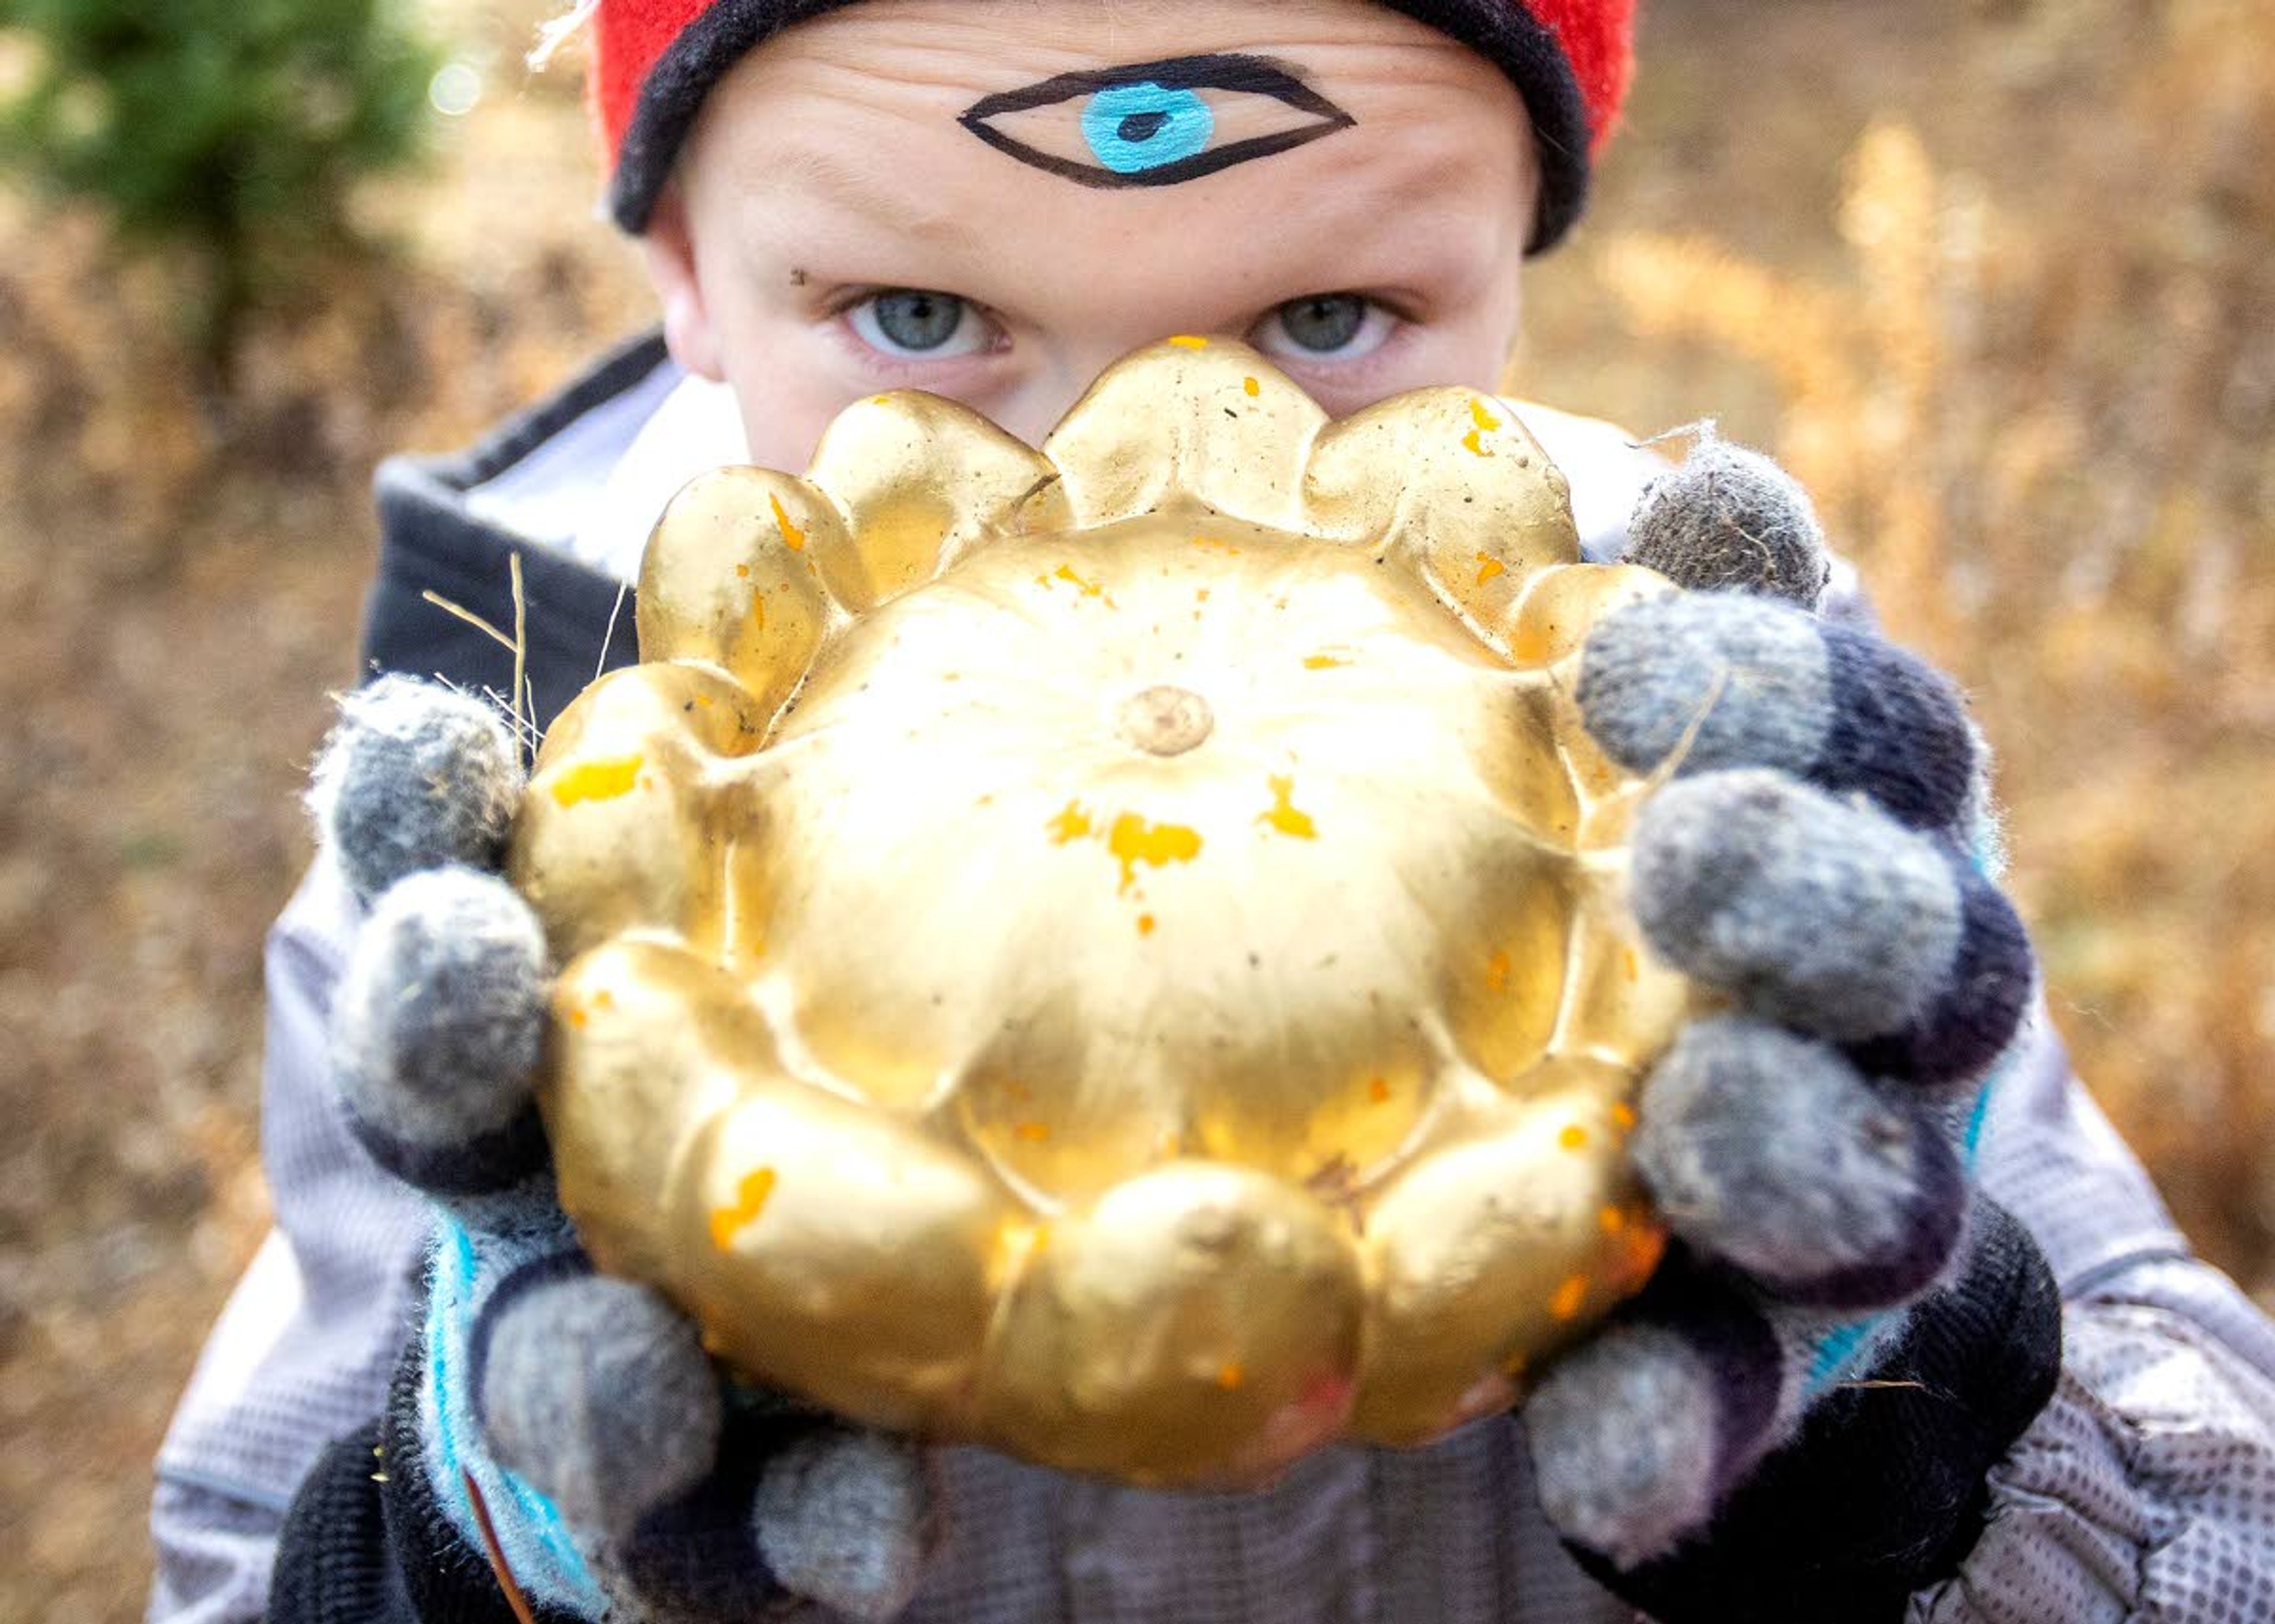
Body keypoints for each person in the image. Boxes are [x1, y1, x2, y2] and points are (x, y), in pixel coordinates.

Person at [149, 3, 2275, 1622]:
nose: (1150, 465)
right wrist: (487, 1540)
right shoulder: (505, 879)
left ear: (1515, 250)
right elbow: (236, 1553)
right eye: (920, 323)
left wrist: (1911, 1429)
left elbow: (2229, 1507)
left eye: (1324, 319)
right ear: (686, 270)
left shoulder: (1714, 732)